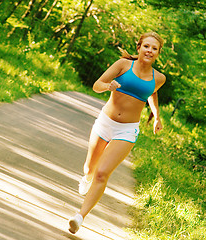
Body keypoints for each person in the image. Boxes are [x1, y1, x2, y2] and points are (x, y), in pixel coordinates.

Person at [68, 32, 166, 234]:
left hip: (127, 130)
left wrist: (156, 116)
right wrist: (108, 86)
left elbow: (152, 92)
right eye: (146, 46)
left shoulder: (159, 78)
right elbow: (97, 85)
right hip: (105, 122)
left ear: (158, 53)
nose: (149, 50)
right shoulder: (123, 65)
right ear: (139, 48)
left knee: (103, 173)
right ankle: (87, 177)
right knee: (90, 169)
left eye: (154, 48)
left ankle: (80, 217)